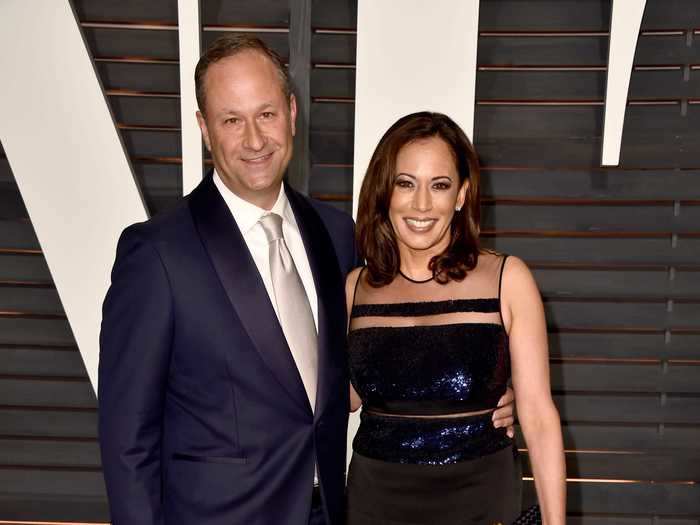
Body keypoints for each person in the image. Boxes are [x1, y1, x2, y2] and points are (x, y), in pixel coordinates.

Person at [98, 35, 516, 525]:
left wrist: (486, 397)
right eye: (232, 120)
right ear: (205, 130)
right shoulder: (158, 253)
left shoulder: (336, 234)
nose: (254, 139)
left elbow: (380, 352)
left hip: (336, 512)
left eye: (267, 114)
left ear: (292, 113)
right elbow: (127, 439)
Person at [346, 112, 566, 524]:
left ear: (462, 195)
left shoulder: (507, 278)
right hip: (375, 498)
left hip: (481, 495)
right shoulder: (354, 288)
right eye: (405, 183)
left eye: (440, 185)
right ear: (384, 191)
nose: (422, 204)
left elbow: (538, 415)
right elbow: (340, 398)